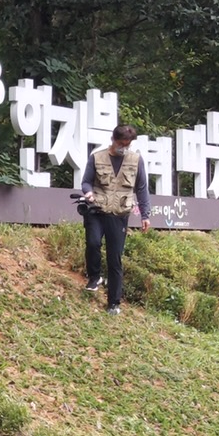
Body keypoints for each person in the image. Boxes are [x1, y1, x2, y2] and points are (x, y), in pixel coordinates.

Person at [78, 123, 152, 313]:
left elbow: (142, 188)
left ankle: (113, 303)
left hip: (119, 214)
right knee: (93, 242)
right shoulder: (97, 157)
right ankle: (94, 276)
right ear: (113, 139)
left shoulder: (136, 160)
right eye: (121, 143)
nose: (124, 147)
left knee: (115, 258)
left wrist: (145, 215)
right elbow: (86, 181)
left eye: (127, 144)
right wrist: (88, 193)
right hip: (97, 209)